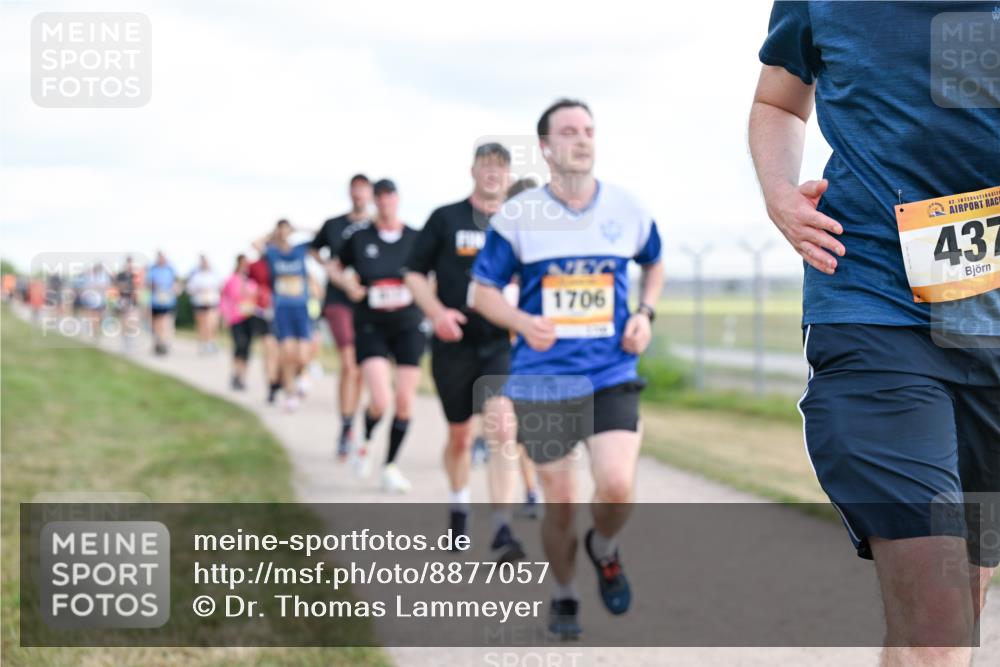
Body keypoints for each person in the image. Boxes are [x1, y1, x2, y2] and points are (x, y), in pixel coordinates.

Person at [749, 3, 998, 662]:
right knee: (939, 621)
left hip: (990, 325)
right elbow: (779, 100)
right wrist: (778, 191)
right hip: (871, 306)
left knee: (955, 605)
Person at [471, 99, 664, 639]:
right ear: (548, 148)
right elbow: (481, 291)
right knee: (559, 502)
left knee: (617, 485)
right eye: (569, 132)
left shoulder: (626, 208)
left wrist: (644, 314)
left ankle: (603, 547)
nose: (582, 139)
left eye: (589, 130)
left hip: (611, 371)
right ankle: (564, 592)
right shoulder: (518, 216)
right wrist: (520, 320)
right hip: (543, 377)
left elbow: (655, 262)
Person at [404, 142, 526, 561]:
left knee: (502, 428)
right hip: (453, 343)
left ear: (509, 177)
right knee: (459, 436)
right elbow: (414, 274)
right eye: (486, 165)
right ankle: (458, 506)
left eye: (501, 167)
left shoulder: (520, 223)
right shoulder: (445, 218)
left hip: (499, 343)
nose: (493, 173)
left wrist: (525, 322)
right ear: (473, 171)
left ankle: (502, 528)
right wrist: (436, 312)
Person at [331, 179, 424, 493]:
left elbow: (432, 274)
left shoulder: (416, 237)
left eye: (389, 197)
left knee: (405, 401)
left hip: (409, 323)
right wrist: (347, 285)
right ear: (374, 202)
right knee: (381, 399)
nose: (385, 203)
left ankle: (390, 466)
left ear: (397, 199)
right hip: (372, 324)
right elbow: (334, 266)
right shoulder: (359, 238)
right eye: (379, 198)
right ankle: (366, 440)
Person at [311, 174, 373, 458]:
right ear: (350, 193)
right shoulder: (334, 224)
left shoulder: (375, 226)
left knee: (360, 368)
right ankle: (346, 425)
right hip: (338, 300)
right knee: (349, 364)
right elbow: (314, 248)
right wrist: (329, 269)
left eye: (363, 190)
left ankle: (351, 419)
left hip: (367, 302)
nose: (359, 194)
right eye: (355, 190)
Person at [253, 220, 314, 412]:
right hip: (282, 308)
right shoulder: (272, 252)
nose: (284, 233)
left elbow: (321, 235)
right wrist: (272, 233)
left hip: (301, 308)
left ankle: (300, 377)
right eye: (281, 230)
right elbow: (254, 243)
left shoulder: (299, 250)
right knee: (287, 353)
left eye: (286, 230)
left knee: (303, 356)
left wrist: (298, 228)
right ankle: (290, 392)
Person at [219, 254, 261, 391]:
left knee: (247, 348)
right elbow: (225, 298)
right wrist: (224, 314)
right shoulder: (231, 280)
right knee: (239, 345)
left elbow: (258, 297)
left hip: (250, 316)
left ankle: (242, 376)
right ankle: (236, 373)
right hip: (235, 317)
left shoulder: (253, 281)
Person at [247, 253, 282, 403]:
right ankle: (271, 384)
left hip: (284, 313)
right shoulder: (258, 265)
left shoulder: (288, 262)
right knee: (269, 351)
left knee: (282, 354)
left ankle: (278, 380)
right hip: (264, 313)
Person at [186, 254, 222, 354]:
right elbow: (190, 289)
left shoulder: (214, 274)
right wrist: (200, 289)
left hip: (212, 302)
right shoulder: (196, 275)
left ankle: (211, 342)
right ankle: (203, 343)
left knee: (212, 323)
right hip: (200, 302)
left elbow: (220, 286)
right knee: (202, 324)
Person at [146, 252, 178, 355]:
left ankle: (163, 342)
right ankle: (158, 341)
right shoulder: (152, 270)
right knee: (156, 323)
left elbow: (175, 284)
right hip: (155, 301)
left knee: (165, 322)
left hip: (167, 301)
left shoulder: (170, 270)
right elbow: (148, 284)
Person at [113, 256, 140, 349]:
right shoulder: (121, 275)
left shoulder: (135, 275)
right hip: (123, 300)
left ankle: (131, 340)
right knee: (124, 321)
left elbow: (138, 288)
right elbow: (117, 287)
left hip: (132, 301)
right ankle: (124, 341)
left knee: (132, 321)